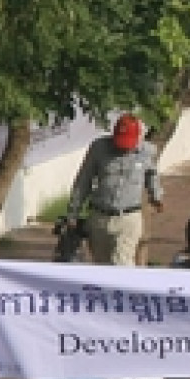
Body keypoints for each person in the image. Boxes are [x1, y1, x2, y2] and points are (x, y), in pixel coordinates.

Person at [66, 113, 164, 265]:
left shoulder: (147, 152)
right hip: (99, 217)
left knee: (121, 264)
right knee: (102, 266)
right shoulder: (98, 148)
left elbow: (152, 175)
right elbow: (83, 180)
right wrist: (73, 212)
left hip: (128, 218)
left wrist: (156, 194)